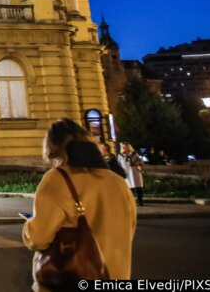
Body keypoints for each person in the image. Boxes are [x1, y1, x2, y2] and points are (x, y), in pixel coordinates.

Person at [22, 118, 137, 291]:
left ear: (53, 148)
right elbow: (128, 230)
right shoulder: (118, 182)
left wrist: (27, 227)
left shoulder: (57, 179)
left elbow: (38, 238)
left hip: (71, 280)